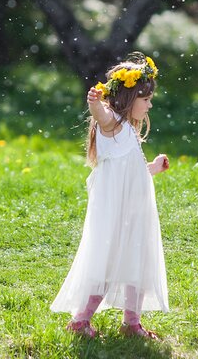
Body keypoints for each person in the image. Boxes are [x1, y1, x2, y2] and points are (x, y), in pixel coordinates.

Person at [51, 52, 170, 339]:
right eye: (146, 99)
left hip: (135, 211)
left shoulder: (127, 130)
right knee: (107, 260)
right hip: (115, 213)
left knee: (137, 261)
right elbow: (101, 116)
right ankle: (81, 320)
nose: (150, 104)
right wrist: (94, 103)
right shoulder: (112, 123)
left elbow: (132, 171)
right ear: (129, 98)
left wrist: (152, 168)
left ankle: (132, 322)